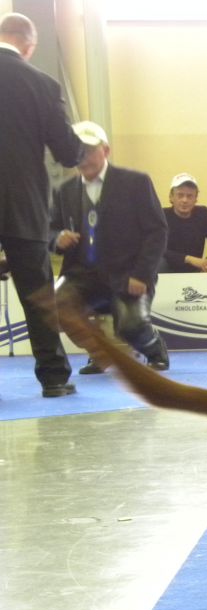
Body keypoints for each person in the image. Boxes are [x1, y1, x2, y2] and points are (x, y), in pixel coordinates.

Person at [0, 12, 83, 398]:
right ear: (29, 45)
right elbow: (68, 153)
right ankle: (54, 377)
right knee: (37, 295)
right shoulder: (42, 84)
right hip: (23, 206)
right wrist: (84, 146)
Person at [51, 121, 170, 373]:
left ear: (106, 150)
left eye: (90, 150)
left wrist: (142, 274)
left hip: (128, 273)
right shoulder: (65, 191)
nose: (84, 157)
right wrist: (57, 238)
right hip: (82, 275)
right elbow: (50, 229)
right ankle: (102, 353)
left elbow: (157, 231)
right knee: (55, 306)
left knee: (130, 326)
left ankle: (154, 347)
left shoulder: (136, 182)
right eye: (78, 151)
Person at [160, 173, 207, 273]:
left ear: (196, 199)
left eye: (189, 196)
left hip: (197, 269)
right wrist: (189, 259)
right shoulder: (162, 215)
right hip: (170, 268)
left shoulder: (203, 213)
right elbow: (157, 249)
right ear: (171, 197)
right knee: (159, 262)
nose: (185, 200)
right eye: (180, 195)